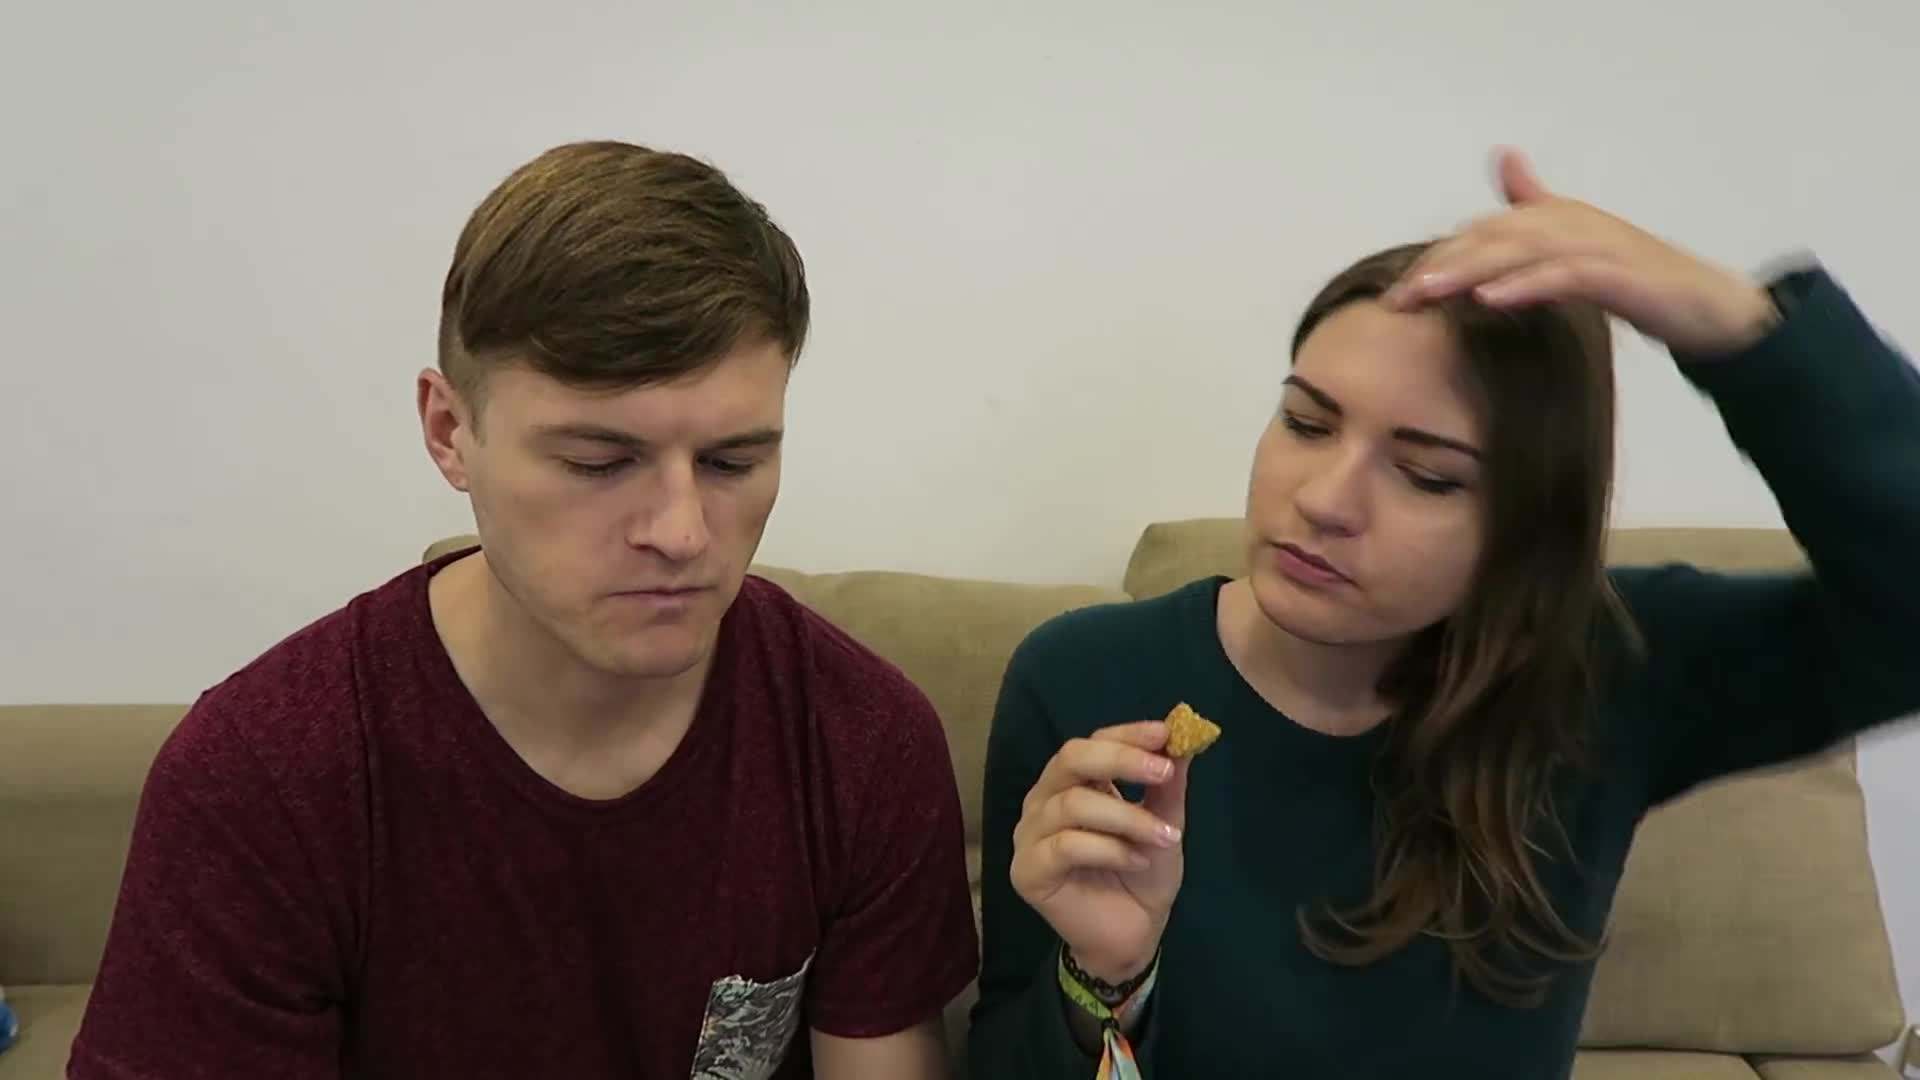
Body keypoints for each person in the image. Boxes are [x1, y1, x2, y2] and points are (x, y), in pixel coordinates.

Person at [967, 148, 1920, 1078]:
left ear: (1522, 526)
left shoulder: (1604, 670)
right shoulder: (1082, 679)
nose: (1327, 499)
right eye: (1306, 421)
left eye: (1426, 474)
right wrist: (1106, 980)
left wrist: (1739, 326)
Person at [69, 141, 978, 1079]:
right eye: (597, 462)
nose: (681, 532)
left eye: (731, 463)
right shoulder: (265, 779)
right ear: (448, 432)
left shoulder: (861, 742)